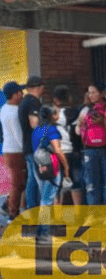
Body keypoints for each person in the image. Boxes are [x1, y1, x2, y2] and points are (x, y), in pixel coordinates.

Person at [32, 105, 70, 243]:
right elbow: (58, 149)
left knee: (44, 198)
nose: (57, 115)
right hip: (50, 167)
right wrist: (66, 166)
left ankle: (42, 232)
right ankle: (43, 233)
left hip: (38, 166)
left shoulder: (37, 129)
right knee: (47, 201)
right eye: (55, 113)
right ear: (51, 116)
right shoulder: (52, 130)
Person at [77, 84, 106, 206]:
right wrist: (80, 124)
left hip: (105, 149)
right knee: (91, 184)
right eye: (89, 93)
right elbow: (78, 131)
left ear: (101, 93)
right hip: (90, 149)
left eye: (94, 92)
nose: (91, 95)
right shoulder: (85, 110)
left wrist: (103, 121)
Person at [52, 86, 83, 208]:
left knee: (57, 184)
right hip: (72, 152)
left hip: (56, 153)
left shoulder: (50, 114)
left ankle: (57, 216)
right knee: (75, 183)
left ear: (55, 99)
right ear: (68, 98)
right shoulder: (75, 112)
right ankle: (78, 213)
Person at [18, 76, 44, 210]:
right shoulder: (33, 102)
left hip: (28, 145)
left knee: (32, 178)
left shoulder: (23, 102)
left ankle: (31, 208)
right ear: (38, 88)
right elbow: (34, 124)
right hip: (35, 146)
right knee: (37, 179)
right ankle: (35, 209)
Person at [1, 81, 25, 218]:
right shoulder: (15, 112)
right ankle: (12, 214)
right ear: (14, 95)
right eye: (20, 92)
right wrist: (26, 150)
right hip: (16, 151)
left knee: (19, 182)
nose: (22, 94)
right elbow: (18, 134)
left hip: (8, 150)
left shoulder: (4, 108)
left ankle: (7, 205)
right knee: (17, 184)